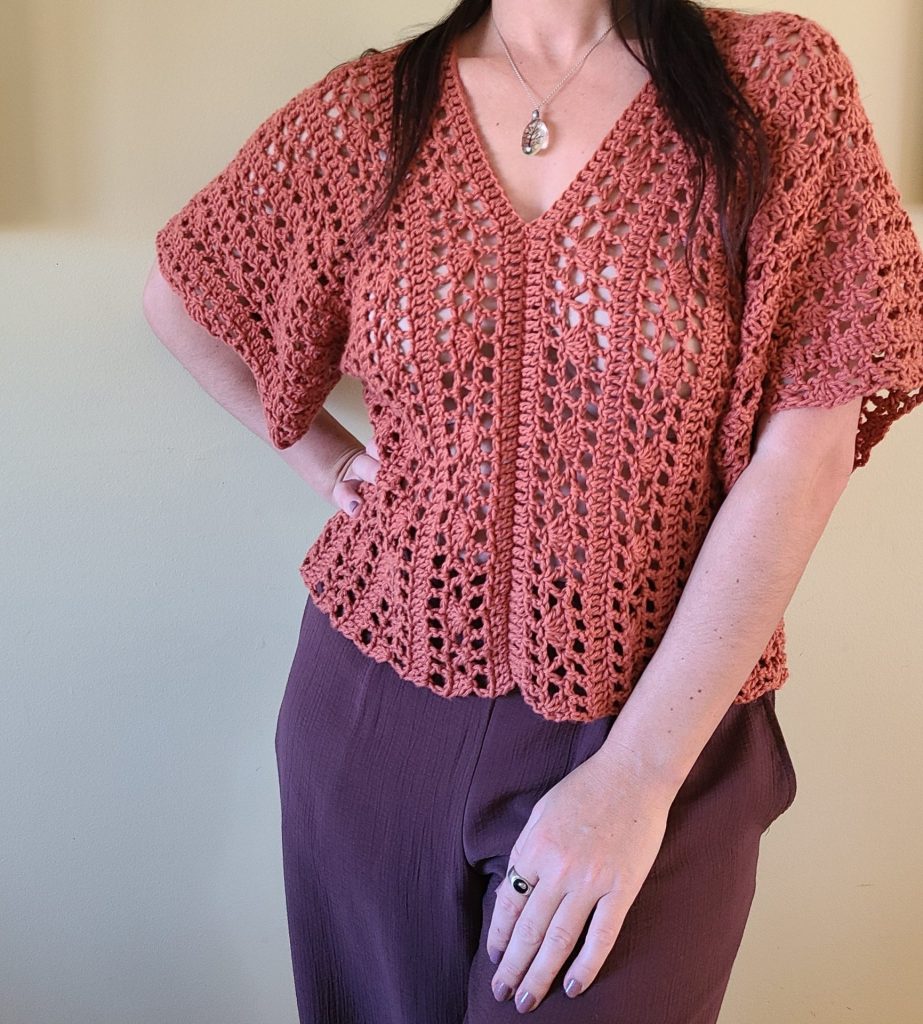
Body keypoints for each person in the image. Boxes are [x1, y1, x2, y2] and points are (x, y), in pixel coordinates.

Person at [143, 1, 923, 1021]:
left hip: (655, 721)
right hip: (373, 719)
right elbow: (180, 295)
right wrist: (324, 461)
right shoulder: (367, 116)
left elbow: (806, 450)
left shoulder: (771, 85)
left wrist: (634, 779)